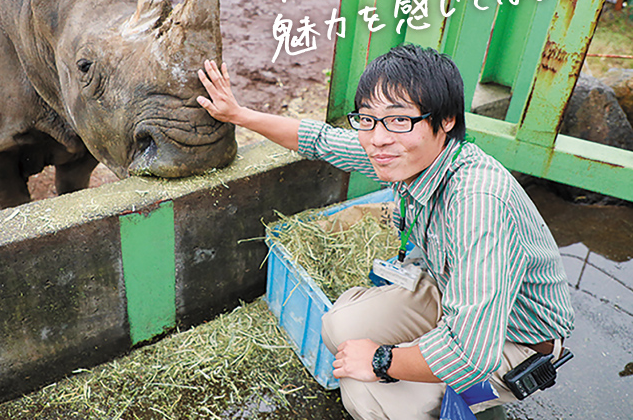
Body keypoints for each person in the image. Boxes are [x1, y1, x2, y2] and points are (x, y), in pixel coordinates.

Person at [196, 44, 574, 420]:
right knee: (339, 327)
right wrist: (238, 114)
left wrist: (380, 360)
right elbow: (318, 140)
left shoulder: (477, 204)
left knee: (366, 393)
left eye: (398, 119)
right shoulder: (406, 152)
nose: (377, 138)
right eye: (366, 118)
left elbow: (468, 353)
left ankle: (475, 401)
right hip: (451, 294)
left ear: (445, 121)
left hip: (516, 338)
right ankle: (435, 389)